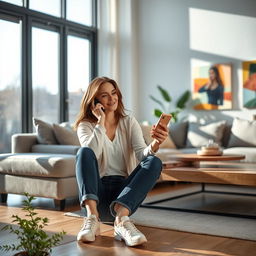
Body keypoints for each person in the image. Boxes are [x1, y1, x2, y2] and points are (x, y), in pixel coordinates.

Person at [74, 77, 168, 246]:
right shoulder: (85, 126)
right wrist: (100, 122)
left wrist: (156, 143)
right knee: (84, 152)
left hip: (123, 197)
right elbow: (91, 153)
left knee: (154, 162)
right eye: (105, 96)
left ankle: (121, 221)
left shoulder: (128, 121)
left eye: (114, 93)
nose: (112, 99)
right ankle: (91, 219)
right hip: (97, 196)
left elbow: (142, 155)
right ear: (95, 101)